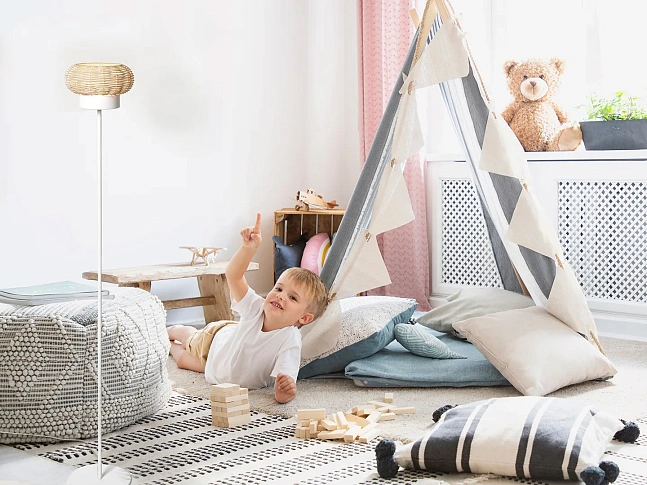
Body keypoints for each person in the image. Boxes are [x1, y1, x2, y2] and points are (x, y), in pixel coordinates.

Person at [167, 213, 329, 403]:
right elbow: (233, 276)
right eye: (278, 288)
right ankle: (169, 331)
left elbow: (284, 383)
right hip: (213, 341)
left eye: (292, 297)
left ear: (304, 318)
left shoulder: (290, 341)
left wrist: (284, 391)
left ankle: (168, 346)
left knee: (181, 360)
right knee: (188, 338)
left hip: (218, 368)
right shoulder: (256, 308)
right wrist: (248, 248)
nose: (280, 295)